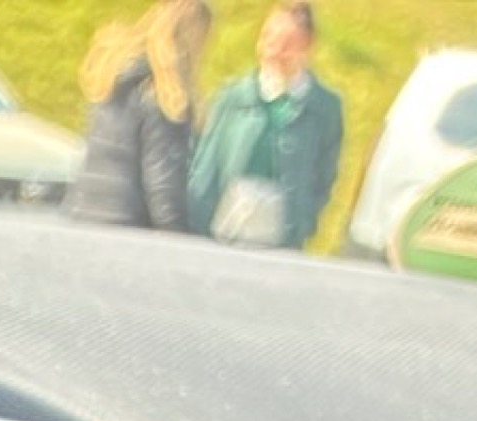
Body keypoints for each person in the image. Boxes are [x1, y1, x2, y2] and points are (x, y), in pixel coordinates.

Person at [189, 2, 346, 249]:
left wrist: (305, 221)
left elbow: (324, 176)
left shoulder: (324, 108)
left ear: (307, 46)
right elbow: (205, 166)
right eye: (267, 39)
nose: (272, 52)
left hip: (281, 239)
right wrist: (197, 223)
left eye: (286, 44)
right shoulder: (233, 98)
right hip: (224, 229)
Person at [70, 0, 216, 231]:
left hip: (85, 212)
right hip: (128, 226)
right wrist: (180, 237)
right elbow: (162, 185)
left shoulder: (111, 76)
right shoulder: (165, 93)